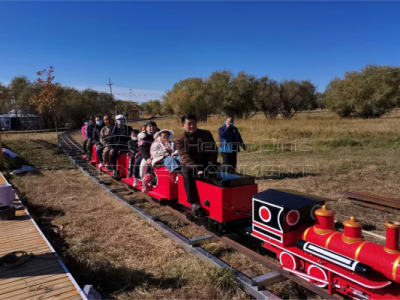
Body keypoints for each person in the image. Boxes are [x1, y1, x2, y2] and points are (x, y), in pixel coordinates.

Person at [176, 114, 218, 216]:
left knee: (224, 169)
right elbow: (185, 156)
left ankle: (216, 200)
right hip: (190, 164)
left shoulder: (206, 134)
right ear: (183, 125)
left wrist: (210, 164)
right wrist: (197, 168)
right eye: (189, 124)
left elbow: (213, 150)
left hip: (206, 162)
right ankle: (193, 202)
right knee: (187, 172)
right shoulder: (180, 140)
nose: (192, 126)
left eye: (194, 123)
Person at [137, 121, 158, 192]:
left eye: (153, 126)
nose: (151, 128)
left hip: (158, 154)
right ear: (146, 128)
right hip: (148, 156)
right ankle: (144, 183)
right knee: (143, 166)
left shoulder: (160, 135)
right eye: (150, 127)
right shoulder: (144, 136)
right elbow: (142, 149)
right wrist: (147, 158)